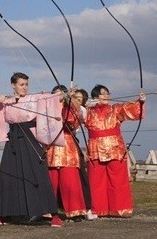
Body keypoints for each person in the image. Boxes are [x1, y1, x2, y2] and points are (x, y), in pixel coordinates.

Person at [0, 72, 62, 228]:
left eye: (26, 84)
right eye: (21, 84)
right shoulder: (7, 101)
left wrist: (65, 94)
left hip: (30, 138)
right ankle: (2, 214)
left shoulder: (34, 98)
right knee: (8, 174)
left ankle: (54, 215)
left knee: (39, 174)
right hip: (13, 138)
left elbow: (54, 98)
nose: (25, 87)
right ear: (13, 85)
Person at [84, 84, 146, 218]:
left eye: (107, 93)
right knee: (96, 181)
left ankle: (121, 209)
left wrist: (140, 101)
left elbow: (131, 110)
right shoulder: (88, 111)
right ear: (95, 97)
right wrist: (85, 105)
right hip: (95, 148)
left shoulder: (115, 109)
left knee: (118, 179)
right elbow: (75, 116)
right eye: (102, 94)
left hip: (115, 148)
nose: (106, 96)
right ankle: (98, 209)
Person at [46, 85, 87, 223]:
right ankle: (47, 211)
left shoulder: (70, 107)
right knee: (51, 181)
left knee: (70, 180)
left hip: (67, 144)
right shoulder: (46, 107)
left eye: (61, 94)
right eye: (56, 95)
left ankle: (75, 211)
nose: (59, 97)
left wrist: (69, 101)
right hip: (51, 145)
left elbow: (72, 123)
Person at [72, 89, 98, 221]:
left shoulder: (82, 110)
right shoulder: (63, 107)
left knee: (81, 175)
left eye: (79, 98)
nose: (76, 99)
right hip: (54, 145)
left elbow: (84, 113)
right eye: (74, 97)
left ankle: (86, 208)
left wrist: (91, 104)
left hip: (71, 142)